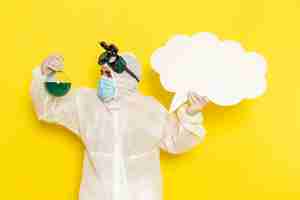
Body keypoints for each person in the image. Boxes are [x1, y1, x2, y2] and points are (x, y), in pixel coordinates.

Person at [30, 43, 209, 200]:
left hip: (142, 194)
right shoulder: (86, 103)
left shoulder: (149, 109)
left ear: (126, 78)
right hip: (97, 194)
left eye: (108, 74)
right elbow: (49, 108)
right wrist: (45, 74)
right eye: (102, 73)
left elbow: (175, 141)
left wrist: (191, 114)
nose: (102, 79)